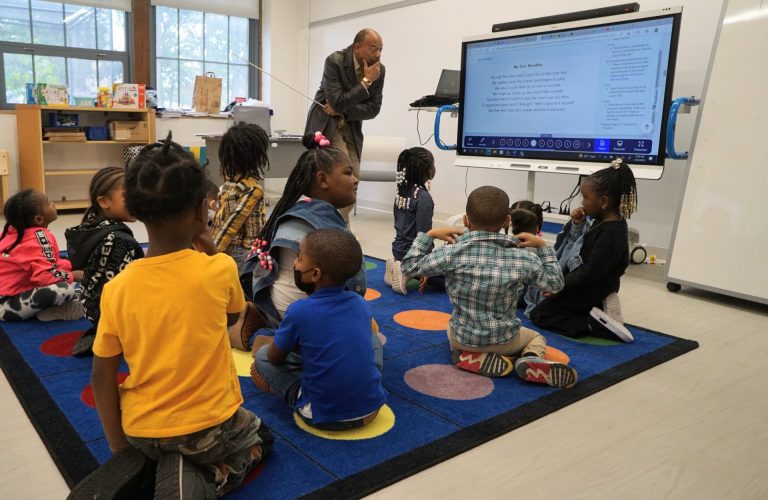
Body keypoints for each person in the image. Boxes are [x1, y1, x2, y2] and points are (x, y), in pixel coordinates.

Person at [90, 134, 273, 498]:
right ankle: (207, 478)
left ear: (137, 210)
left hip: (142, 430)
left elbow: (101, 376)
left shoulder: (118, 289)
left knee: (157, 442)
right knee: (261, 436)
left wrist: (119, 449)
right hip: (207, 430)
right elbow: (231, 318)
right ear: (201, 211)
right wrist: (208, 249)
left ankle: (146, 464)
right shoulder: (219, 269)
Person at [401, 186, 578, 388]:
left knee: (451, 326)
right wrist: (543, 247)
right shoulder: (524, 257)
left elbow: (408, 266)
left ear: (466, 220)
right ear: (507, 221)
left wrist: (430, 234)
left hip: (463, 338)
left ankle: (469, 355)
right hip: (505, 340)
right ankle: (529, 358)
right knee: (535, 338)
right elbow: (555, 284)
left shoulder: (452, 253)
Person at [229, 132, 366, 352]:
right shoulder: (323, 223)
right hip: (306, 318)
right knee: (366, 334)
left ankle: (271, 329)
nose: (355, 179)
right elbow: (353, 281)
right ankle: (284, 344)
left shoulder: (292, 211)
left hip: (275, 308)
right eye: (348, 173)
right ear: (323, 180)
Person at [251, 229, 386, 430]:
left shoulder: (298, 310)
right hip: (372, 407)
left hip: (322, 416)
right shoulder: (360, 302)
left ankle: (293, 391)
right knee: (372, 339)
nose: (295, 264)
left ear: (315, 274)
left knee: (261, 356)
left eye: (299, 258)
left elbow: (274, 358)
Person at [530, 158, 637, 342]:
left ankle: (592, 324)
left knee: (540, 314)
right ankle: (594, 314)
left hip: (593, 291)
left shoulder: (610, 233)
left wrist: (559, 287)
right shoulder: (604, 222)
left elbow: (589, 273)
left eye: (586, 198)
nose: (583, 202)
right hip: (587, 284)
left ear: (603, 201)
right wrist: (578, 223)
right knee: (541, 301)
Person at [304, 28, 385, 225]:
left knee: (353, 177)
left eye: (381, 49)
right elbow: (336, 100)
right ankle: (340, 227)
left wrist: (343, 110)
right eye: (373, 48)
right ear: (358, 48)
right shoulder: (335, 61)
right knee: (340, 176)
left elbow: (373, 109)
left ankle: (335, 222)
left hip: (351, 127)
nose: (378, 54)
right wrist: (366, 82)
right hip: (327, 125)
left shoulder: (379, 70)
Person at [65, 167, 144, 356]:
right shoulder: (120, 240)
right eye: (129, 195)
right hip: (113, 320)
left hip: (96, 315)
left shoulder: (92, 225)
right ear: (103, 201)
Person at [0, 189, 83, 321]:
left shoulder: (13, 232)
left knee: (66, 266)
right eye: (48, 203)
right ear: (39, 219)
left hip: (9, 292)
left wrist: (69, 266)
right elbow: (44, 276)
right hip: (7, 305)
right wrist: (73, 275)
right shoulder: (40, 237)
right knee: (64, 289)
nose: (53, 204)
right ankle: (53, 312)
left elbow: (49, 262)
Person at [210, 123, 269, 274]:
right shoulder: (252, 189)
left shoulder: (230, 184)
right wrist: (211, 254)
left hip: (231, 248)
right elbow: (230, 225)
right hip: (243, 252)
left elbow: (222, 220)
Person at [385, 147, 443, 295]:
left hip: (397, 249)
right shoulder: (423, 198)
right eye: (433, 165)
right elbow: (424, 236)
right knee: (450, 280)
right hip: (414, 257)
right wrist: (428, 267)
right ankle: (406, 270)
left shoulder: (401, 191)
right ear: (428, 171)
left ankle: (396, 266)